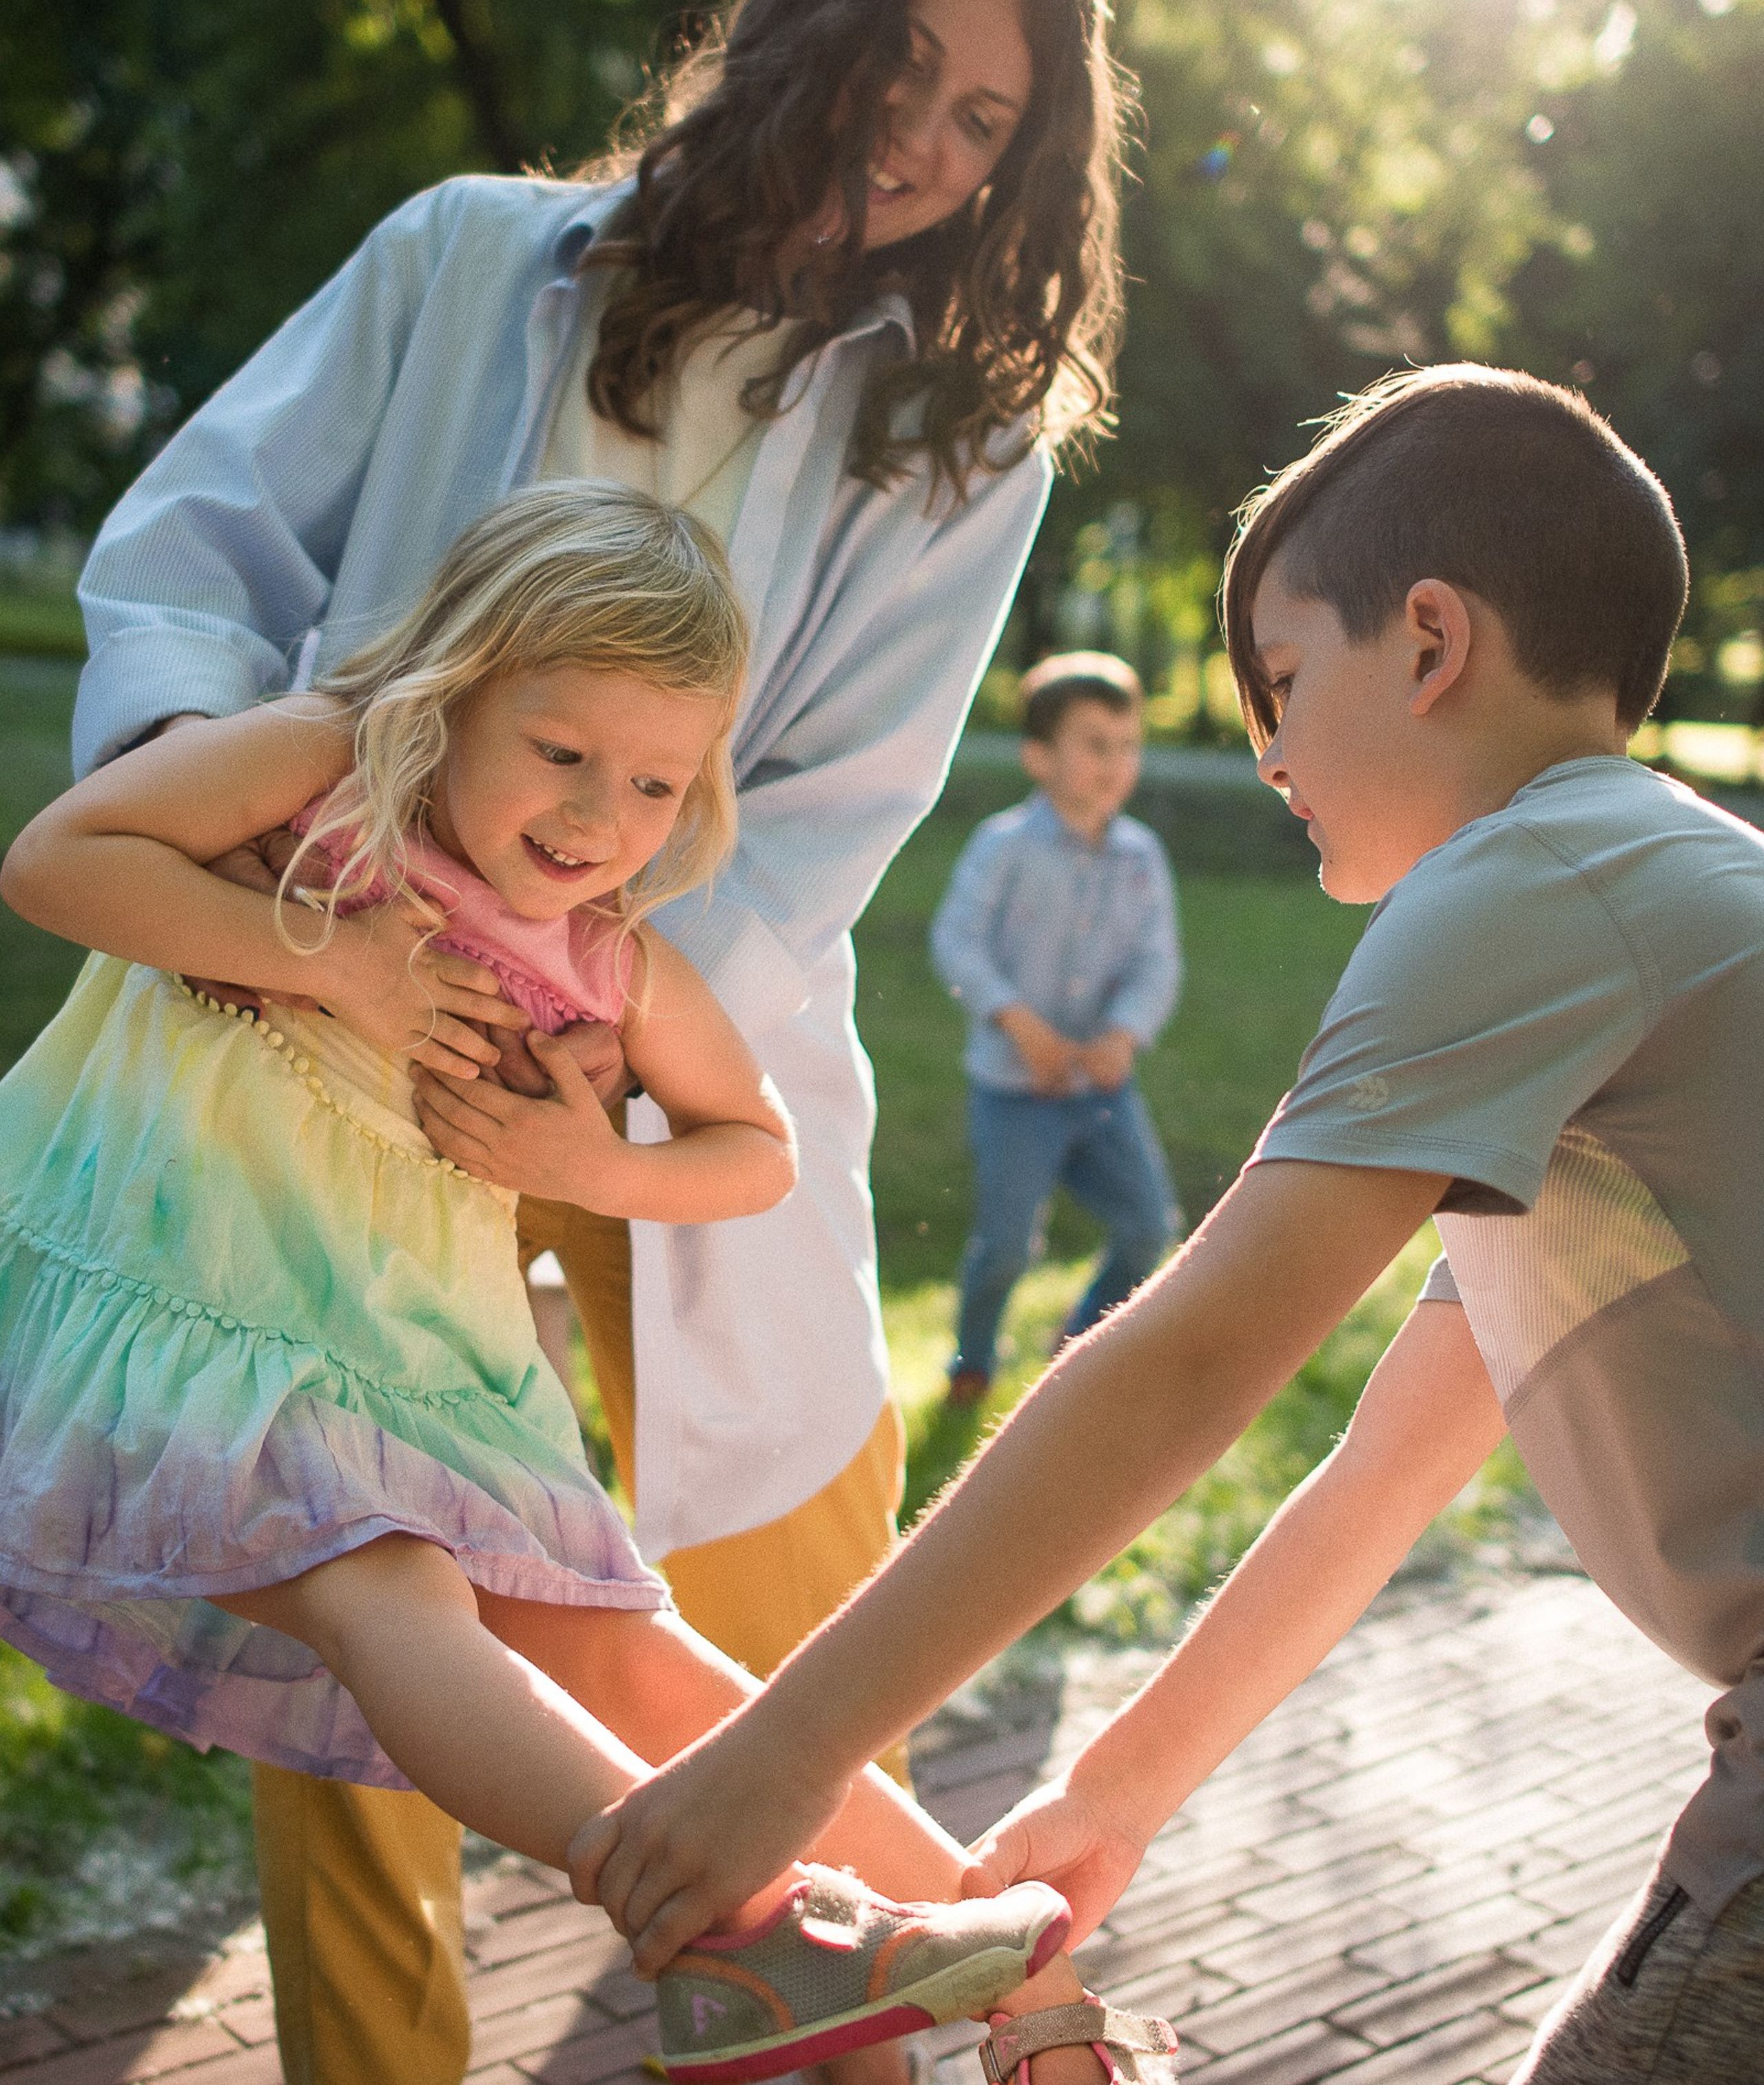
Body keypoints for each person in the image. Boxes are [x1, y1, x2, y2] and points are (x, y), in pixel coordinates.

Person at [67, 0, 1129, 2074]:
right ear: (802, 29)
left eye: (985, 120)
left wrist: (584, 1072)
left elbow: (831, 804)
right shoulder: (471, 254)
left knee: (762, 1628)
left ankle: (949, 1978)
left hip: (672, 1057)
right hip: (335, 1025)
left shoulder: (968, 438)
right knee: (387, 1621)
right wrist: (290, 886)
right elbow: (200, 543)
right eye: (901, 64)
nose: (922, 136)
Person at [568, 365, 1764, 2084]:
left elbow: (1187, 1356)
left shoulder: (1526, 884)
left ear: (1427, 643)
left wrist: (787, 1756)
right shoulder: (1639, 894)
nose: (1266, 753)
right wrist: (1116, 1785)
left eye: (1282, 682)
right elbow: (1389, 1460)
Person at [0, 480, 1094, 2084]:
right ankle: (732, 1930)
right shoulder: (329, 768)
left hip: (414, 1357)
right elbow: (56, 857)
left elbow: (752, 1145)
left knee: (625, 1649)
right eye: (561, 749)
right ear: (455, 691)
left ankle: (1014, 1969)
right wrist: (335, 956)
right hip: (196, 1295)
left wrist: (597, 1173)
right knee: (388, 1585)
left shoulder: (609, 956)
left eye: (655, 780)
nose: (598, 814)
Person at [929, 651, 1180, 1406]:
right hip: (1014, 1088)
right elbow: (958, 942)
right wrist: (1017, 1023)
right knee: (1006, 1245)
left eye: (1127, 744)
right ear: (1039, 756)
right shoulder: (1002, 847)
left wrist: (1124, 1034)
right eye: (1094, 744)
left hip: (1102, 1086)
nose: (1115, 762)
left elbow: (1155, 963)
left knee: (1147, 1228)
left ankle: (1076, 1345)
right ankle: (972, 1358)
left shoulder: (1141, 856)